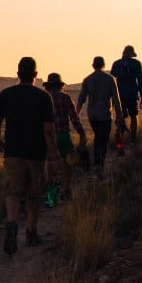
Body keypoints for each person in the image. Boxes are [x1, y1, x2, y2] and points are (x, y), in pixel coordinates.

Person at [0, 57, 58, 254]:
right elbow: (48, 130)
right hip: (36, 154)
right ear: (36, 75)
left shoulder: (6, 94)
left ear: (18, 73)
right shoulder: (44, 97)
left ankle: (12, 225)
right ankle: (31, 232)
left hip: (13, 152)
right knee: (34, 194)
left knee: (12, 192)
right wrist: (53, 158)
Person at [76, 56, 123, 178]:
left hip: (92, 115)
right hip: (105, 115)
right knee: (103, 139)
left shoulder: (88, 80)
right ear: (103, 65)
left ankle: (98, 162)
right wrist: (119, 116)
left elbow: (81, 99)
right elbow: (116, 100)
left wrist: (76, 114)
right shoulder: (110, 79)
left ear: (93, 65)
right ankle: (99, 163)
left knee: (98, 136)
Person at [42, 73, 86, 201]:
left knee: (51, 166)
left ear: (48, 86)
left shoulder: (44, 99)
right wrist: (81, 133)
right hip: (63, 136)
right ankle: (65, 190)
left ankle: (51, 197)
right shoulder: (66, 98)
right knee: (67, 165)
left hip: (48, 136)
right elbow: (74, 119)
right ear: (61, 85)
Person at [110, 45, 142, 143]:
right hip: (132, 94)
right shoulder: (137, 63)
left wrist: (112, 97)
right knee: (133, 116)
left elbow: (112, 80)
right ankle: (133, 139)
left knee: (120, 117)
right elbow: (141, 81)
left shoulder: (116, 64)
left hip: (119, 95)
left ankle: (120, 142)